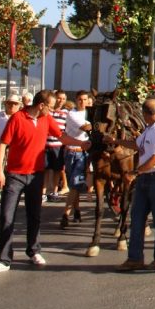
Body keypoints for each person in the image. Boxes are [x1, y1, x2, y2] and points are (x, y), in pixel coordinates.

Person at [0, 90, 90, 275]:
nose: (53, 110)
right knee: (7, 216)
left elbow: (61, 136)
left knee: (34, 215)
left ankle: (33, 251)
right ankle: (4, 259)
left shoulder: (46, 119)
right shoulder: (17, 118)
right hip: (15, 175)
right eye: (51, 106)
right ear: (41, 105)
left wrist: (81, 144)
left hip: (36, 175)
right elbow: (2, 145)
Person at [115, 98, 155, 271]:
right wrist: (115, 141)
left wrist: (134, 173)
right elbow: (137, 145)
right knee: (137, 217)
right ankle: (135, 258)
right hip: (146, 176)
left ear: (145, 113)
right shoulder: (150, 128)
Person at [61, 91, 92, 227]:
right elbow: (85, 127)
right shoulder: (72, 114)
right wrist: (97, 124)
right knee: (74, 185)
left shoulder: (89, 113)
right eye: (80, 99)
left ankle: (67, 214)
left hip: (83, 153)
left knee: (75, 184)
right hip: (71, 152)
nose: (82, 102)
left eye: (85, 99)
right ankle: (75, 210)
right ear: (76, 100)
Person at [0, 93, 22, 204]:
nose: (12, 106)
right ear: (5, 104)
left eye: (15, 104)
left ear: (19, 105)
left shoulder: (21, 117)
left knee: (12, 172)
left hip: (14, 148)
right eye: (10, 103)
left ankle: (9, 194)